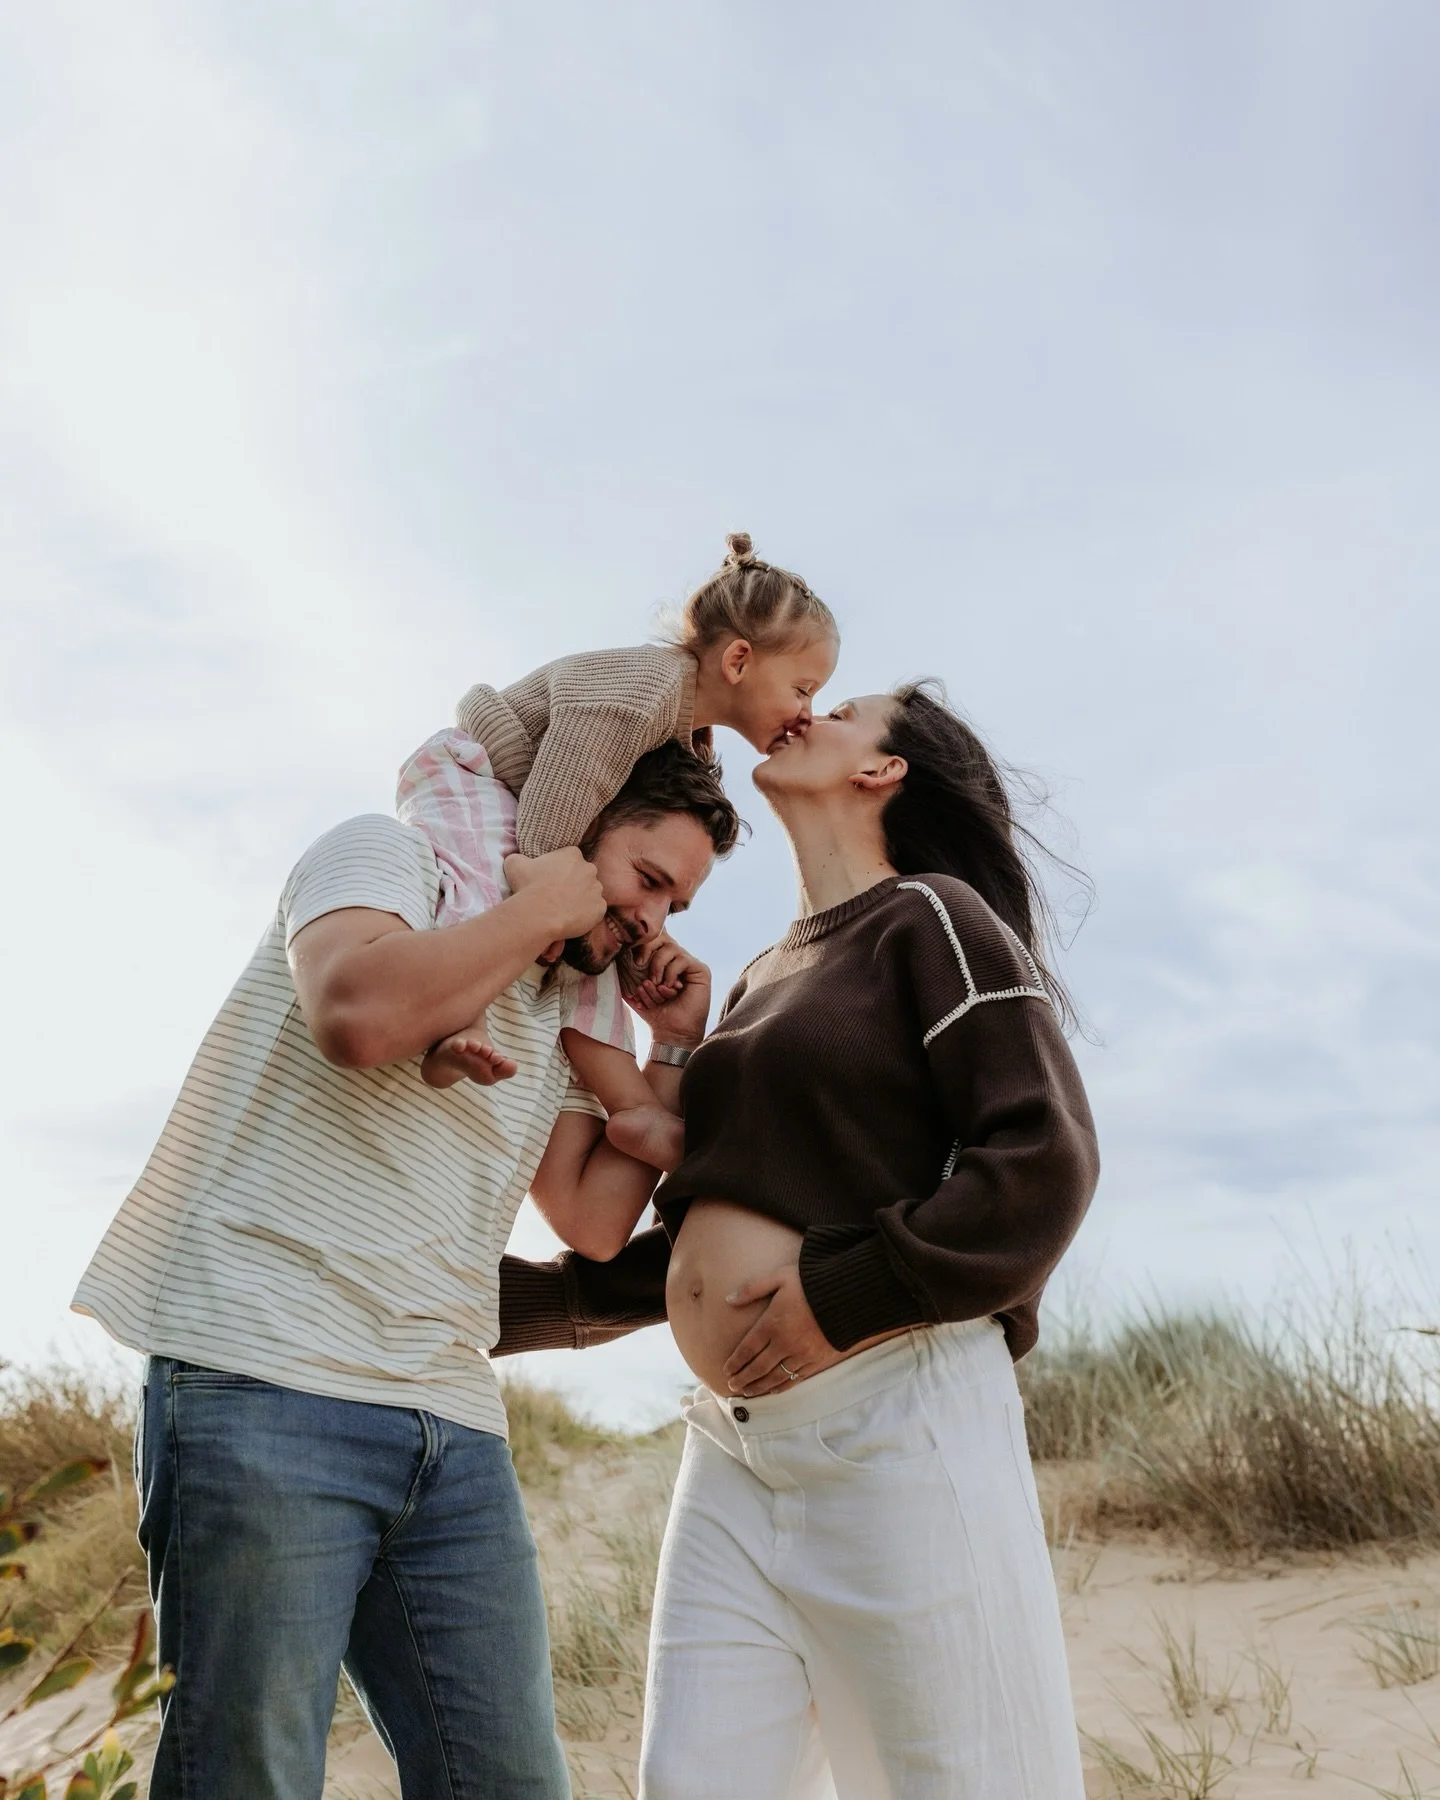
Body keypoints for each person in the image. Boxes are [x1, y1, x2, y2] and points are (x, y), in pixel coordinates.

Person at [71, 742, 738, 1800]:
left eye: (680, 904)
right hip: (261, 1378)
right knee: (249, 1777)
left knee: (510, 1781)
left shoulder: (565, 1000)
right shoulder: (385, 857)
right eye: (649, 880)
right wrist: (537, 908)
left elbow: (596, 1220)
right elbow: (355, 1014)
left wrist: (675, 1046)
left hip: (449, 1419)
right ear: (574, 825)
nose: (655, 920)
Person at [495, 683, 1101, 1799]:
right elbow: (716, 1227)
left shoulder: (934, 916)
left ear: (882, 772)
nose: (803, 708)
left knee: (961, 1782)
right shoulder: (769, 976)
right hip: (734, 1450)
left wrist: (844, 1297)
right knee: (692, 1783)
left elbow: (1043, 1166)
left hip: (896, 1422)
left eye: (847, 711)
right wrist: (507, 1311)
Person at [399, 532, 837, 1175]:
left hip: (536, 809)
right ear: (738, 660)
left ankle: (634, 1107)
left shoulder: (693, 736)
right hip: (481, 771)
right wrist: (549, 918)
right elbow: (552, 817)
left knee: (594, 951)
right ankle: (458, 1025)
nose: (806, 714)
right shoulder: (642, 696)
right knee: (477, 889)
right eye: (803, 688)